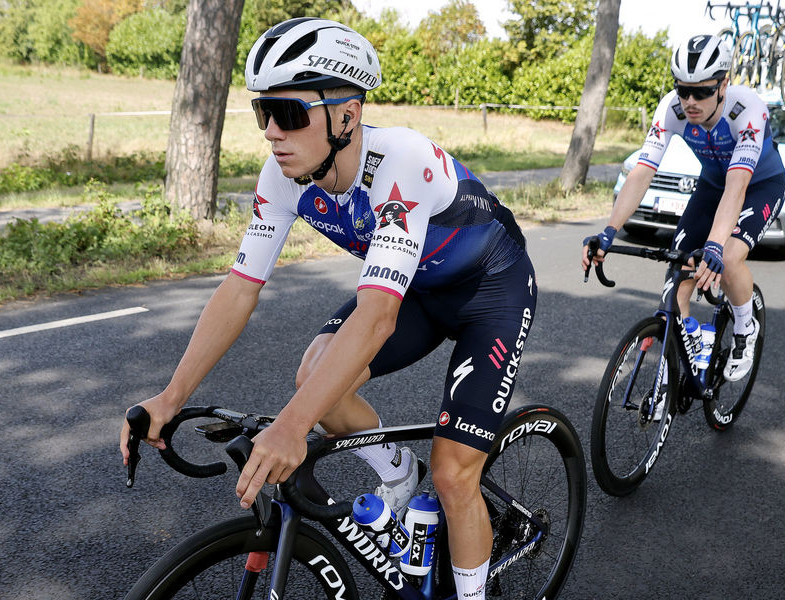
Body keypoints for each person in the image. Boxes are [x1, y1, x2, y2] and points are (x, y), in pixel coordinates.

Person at [120, 17, 536, 599]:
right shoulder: (284, 176)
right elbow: (240, 288)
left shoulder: (400, 163)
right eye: (262, 111)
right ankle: (398, 474)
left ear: (347, 113)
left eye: (289, 113)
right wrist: (170, 397)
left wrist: (292, 427)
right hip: (417, 285)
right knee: (315, 375)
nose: (271, 132)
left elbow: (376, 318)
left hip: (490, 288)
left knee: (453, 473)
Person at [581, 34, 785, 381]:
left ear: (724, 84)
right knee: (679, 271)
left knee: (729, 257)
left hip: (758, 186)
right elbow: (642, 172)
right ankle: (682, 351)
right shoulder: (671, 109)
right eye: (682, 89)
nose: (690, 101)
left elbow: (736, 189)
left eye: (702, 91)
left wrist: (716, 246)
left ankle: (744, 328)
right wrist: (608, 231)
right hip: (711, 186)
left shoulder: (747, 109)